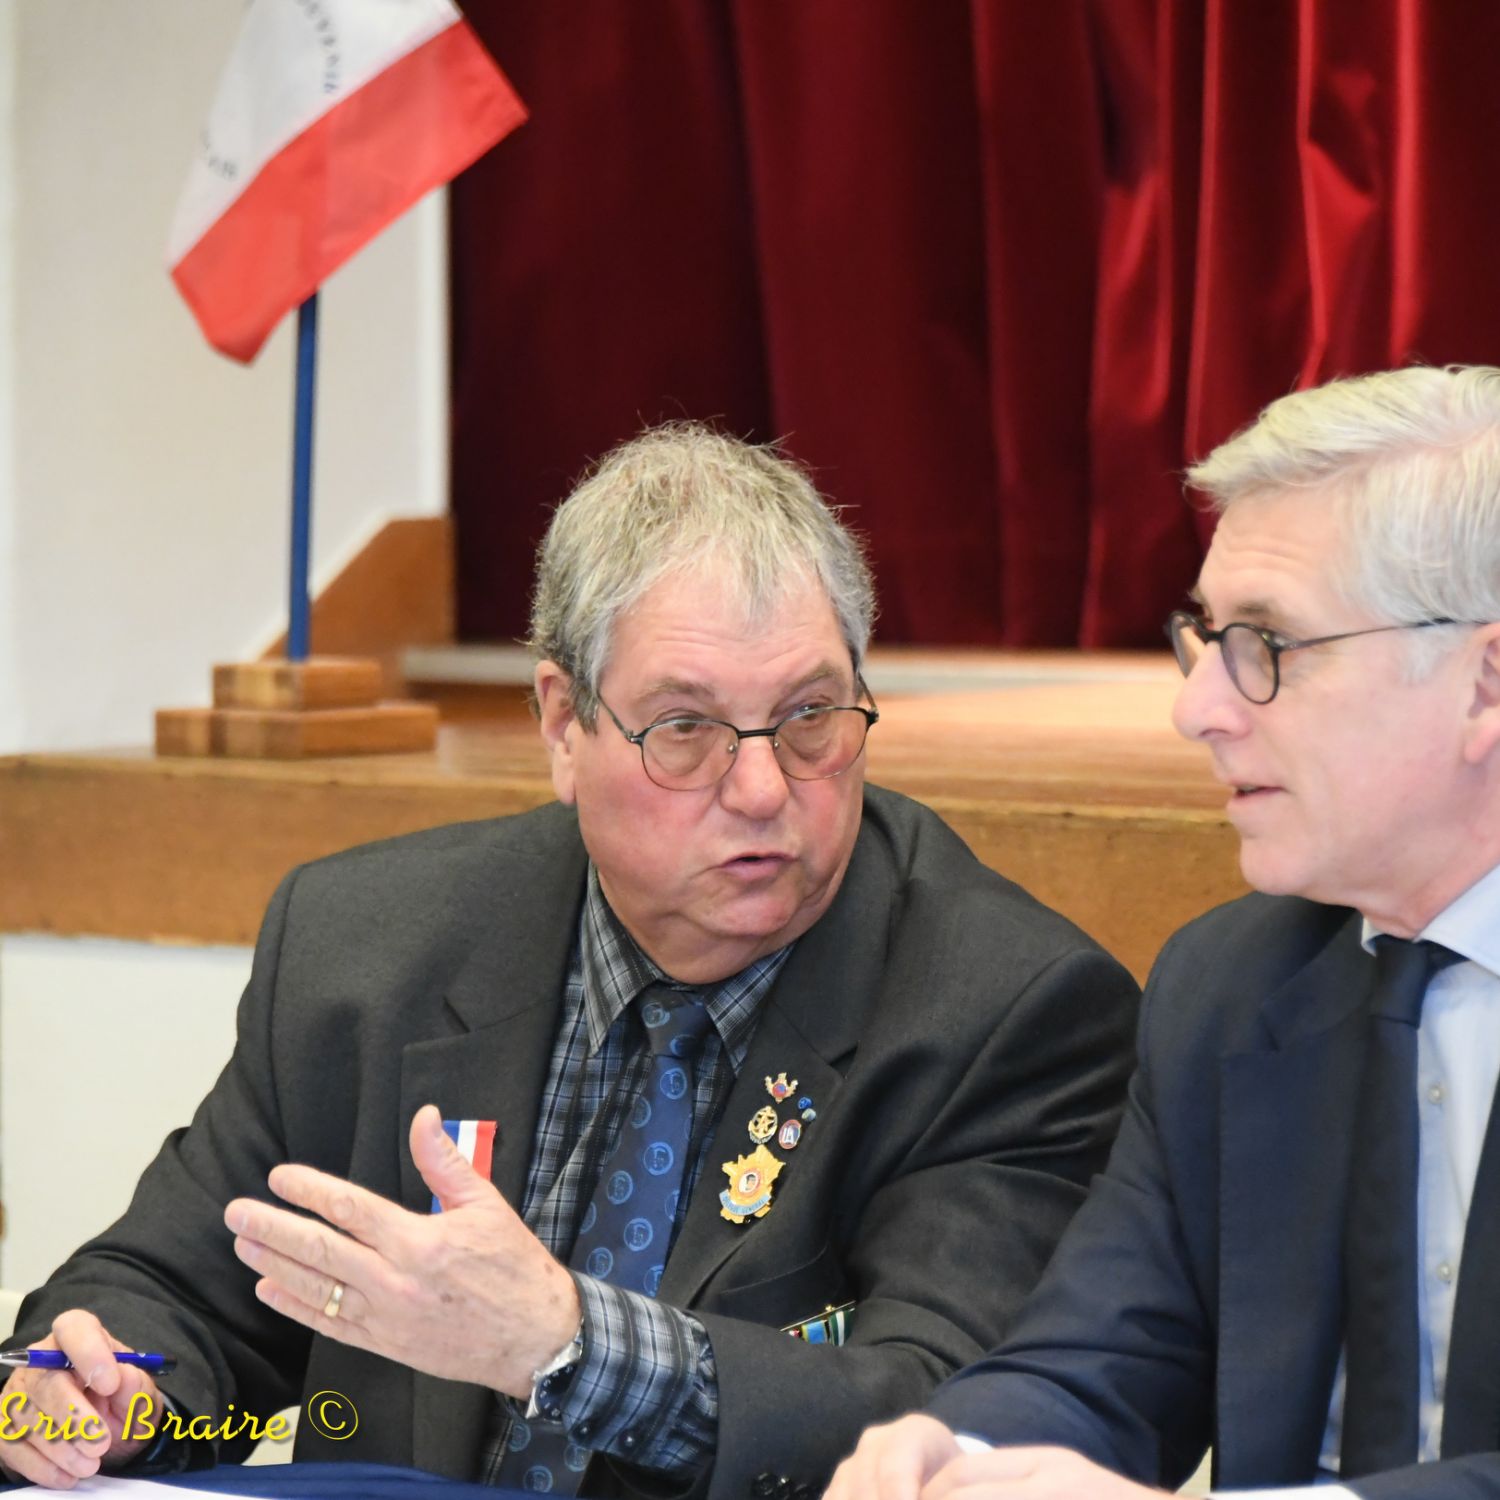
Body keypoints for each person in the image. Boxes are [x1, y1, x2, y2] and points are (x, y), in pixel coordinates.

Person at [1, 424, 1138, 1498]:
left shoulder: (1009, 1009)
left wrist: (569, 1344)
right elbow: (175, 1288)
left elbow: (948, 1421)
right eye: (685, 728)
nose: (762, 788)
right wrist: (95, 1389)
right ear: (561, 724)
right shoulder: (366, 945)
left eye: (809, 717)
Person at [827, 364, 1500, 1500]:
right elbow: (1103, 1357)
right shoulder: (1231, 983)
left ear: (1484, 683)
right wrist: (959, 1456)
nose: (1196, 710)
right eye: (1208, 638)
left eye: (1268, 645)